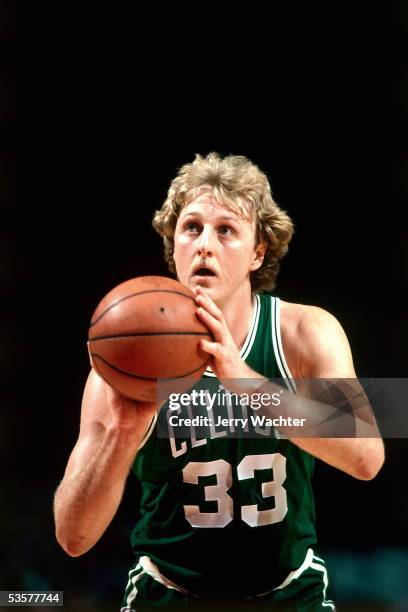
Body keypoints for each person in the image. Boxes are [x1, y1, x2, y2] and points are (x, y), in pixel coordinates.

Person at [54, 153, 384, 611]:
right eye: (191, 228)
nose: (205, 244)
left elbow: (368, 455)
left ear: (258, 252)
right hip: (167, 593)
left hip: (288, 593)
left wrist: (245, 381)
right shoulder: (126, 357)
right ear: (174, 247)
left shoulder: (306, 331)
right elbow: (72, 536)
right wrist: (123, 435)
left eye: (226, 230)